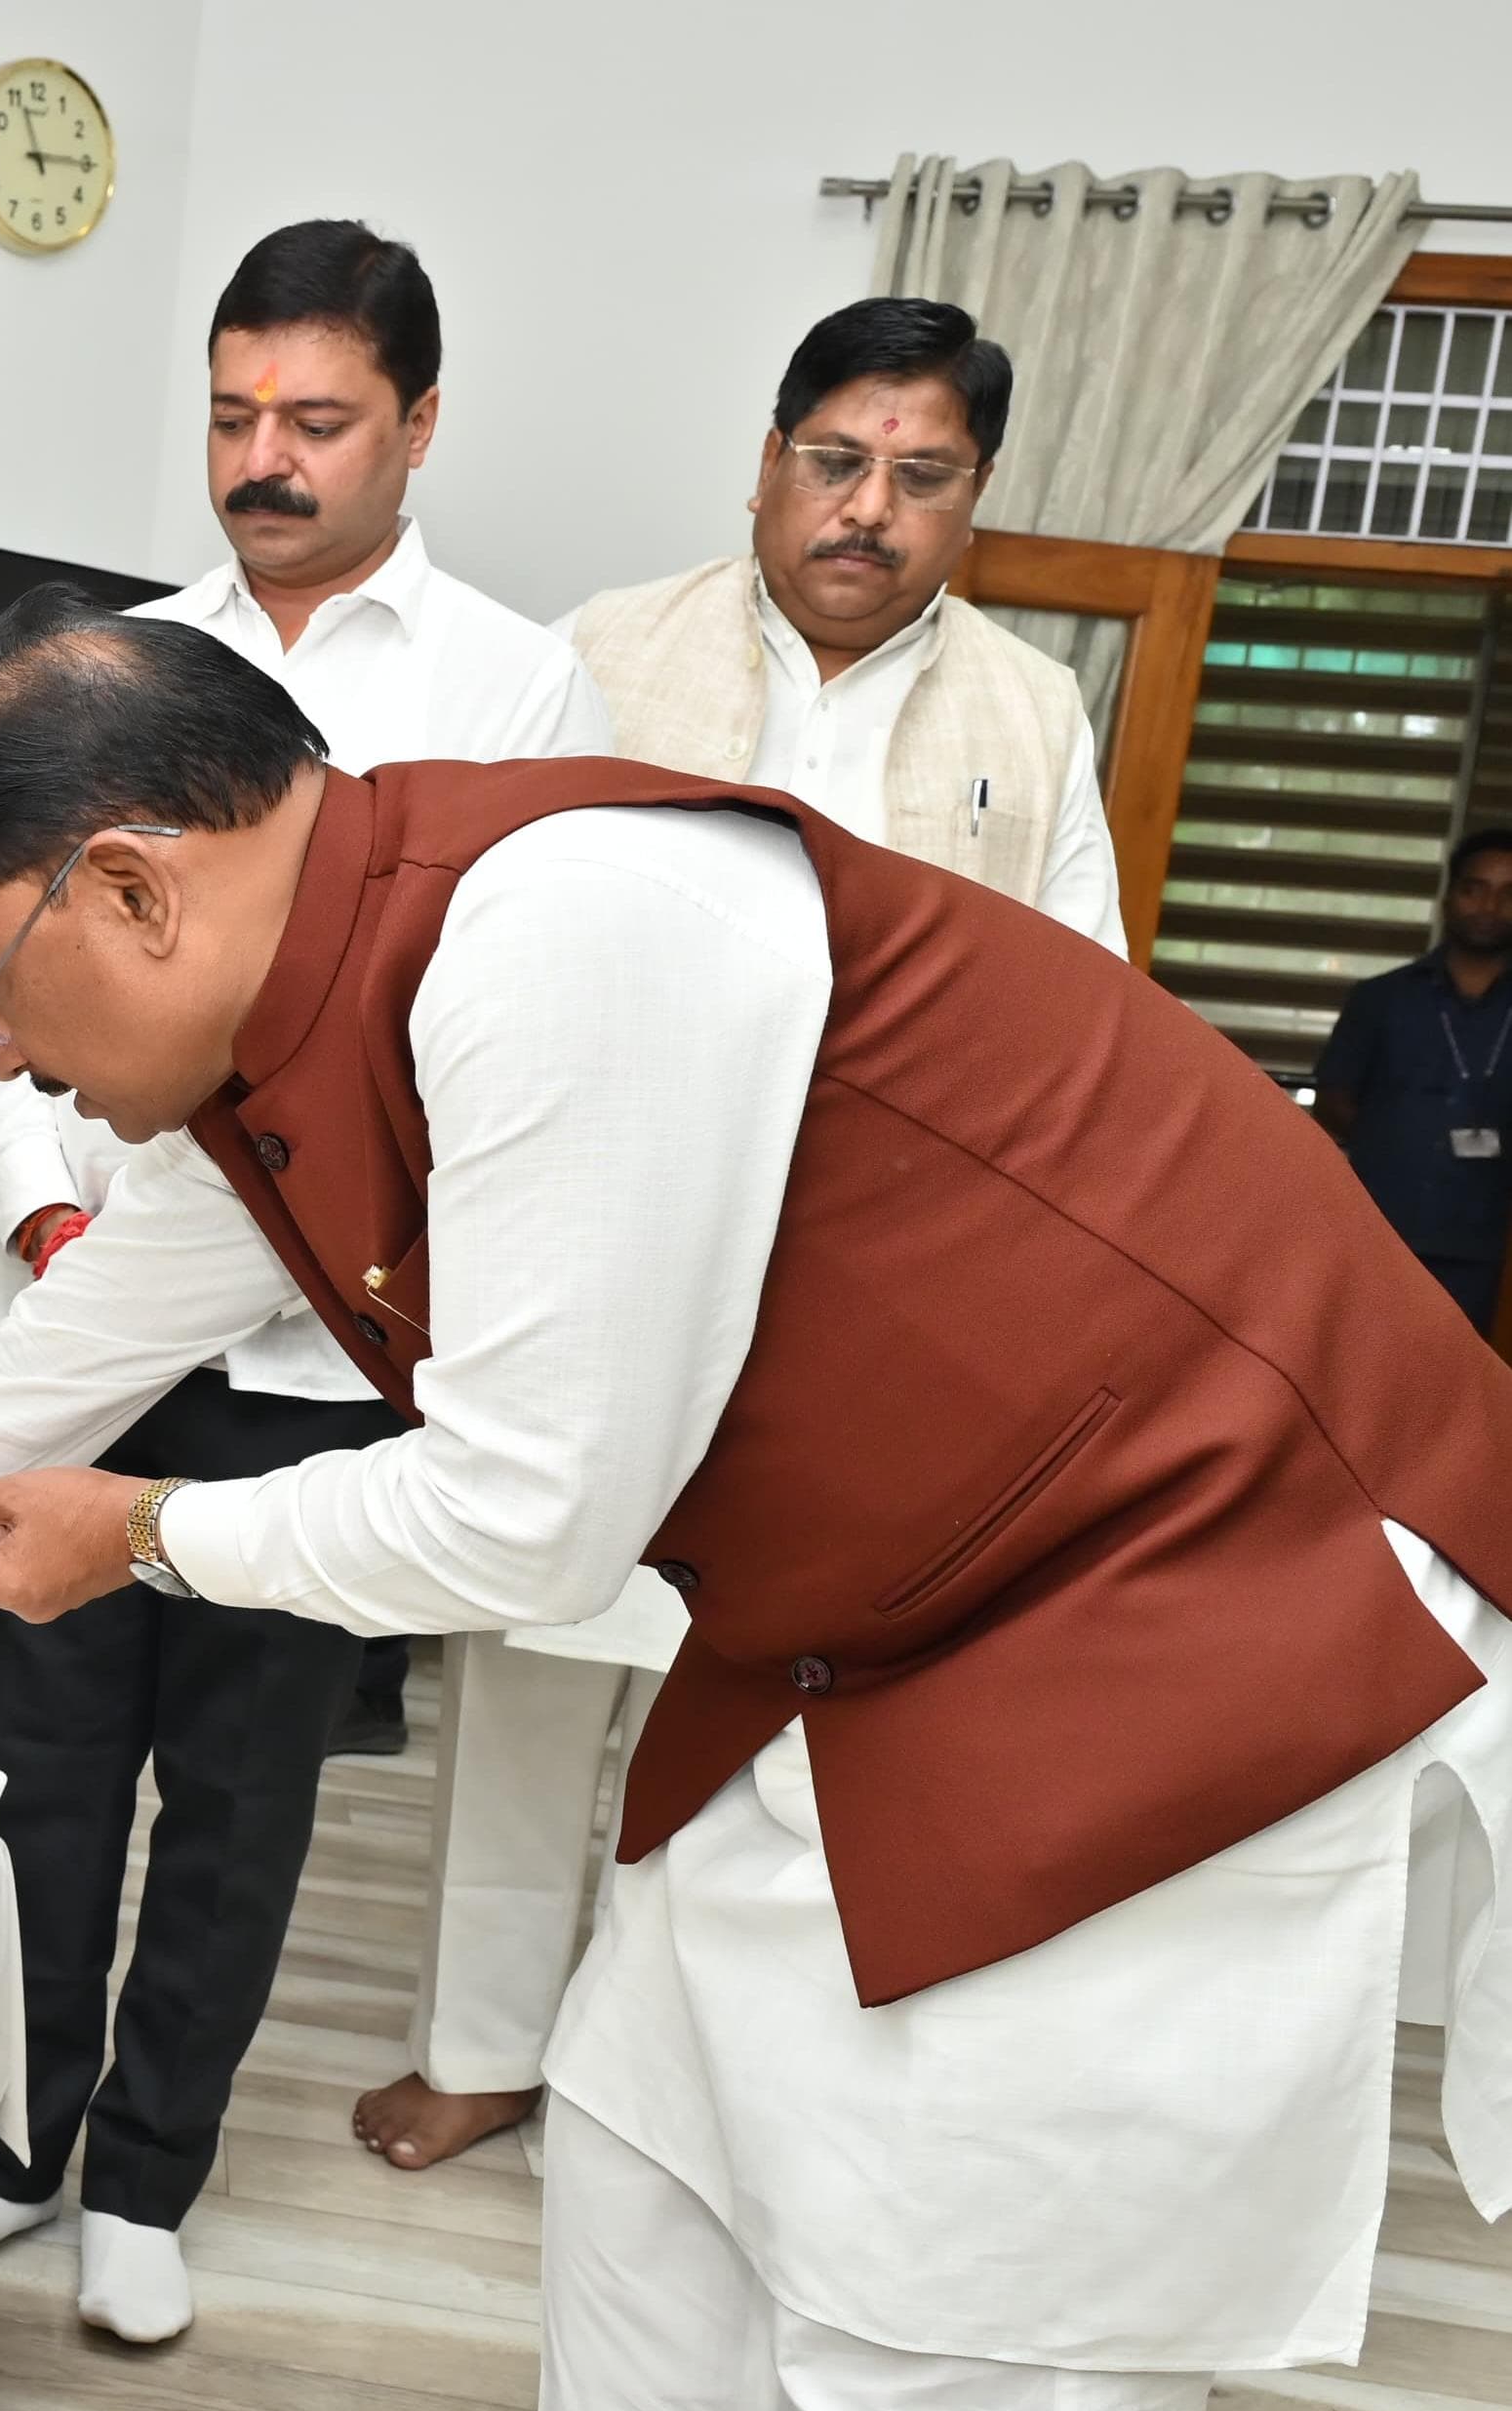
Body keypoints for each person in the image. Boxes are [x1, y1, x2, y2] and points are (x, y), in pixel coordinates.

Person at [0, 594, 1512, 2411]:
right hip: (862, 1624)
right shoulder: (277, 1048)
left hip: (1193, 1591)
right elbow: (18, 1391)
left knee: (963, 2382)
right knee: (649, 2202)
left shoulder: (564, 924)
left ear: (132, 889)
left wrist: (143, 1536)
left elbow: (526, 1521)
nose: (3, 1059)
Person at [352, 295, 1142, 2177]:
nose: (864, 508)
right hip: (599, 1245)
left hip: (864, 1298)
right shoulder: (602, 652)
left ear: (971, 498)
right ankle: (482, 2043)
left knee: (780, 1701)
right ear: (764, 462)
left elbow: (1080, 1017)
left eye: (917, 476)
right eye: (832, 460)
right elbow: (450, 931)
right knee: (535, 1655)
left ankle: (688, 2078)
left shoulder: (1027, 714)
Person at [0, 220, 608, 2344]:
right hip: (81, 1323)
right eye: (230, 414)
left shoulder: (514, 686)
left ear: (416, 426)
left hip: (318, 1358)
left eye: (315, 419)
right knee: (36, 1772)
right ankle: (15, 2148)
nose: (263, 458)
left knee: (236, 1799)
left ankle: (146, 2180)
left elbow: (512, 1022)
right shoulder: (103, 664)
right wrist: (40, 1220)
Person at [1317, 827, 1512, 1330]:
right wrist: (1395, 1139)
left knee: (1457, 1371)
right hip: (1378, 1227)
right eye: (1475, 888)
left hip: (1484, 1242)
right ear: (1449, 897)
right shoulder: (1380, 998)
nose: (1489, 906)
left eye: (1508, 894)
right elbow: (1333, 1098)